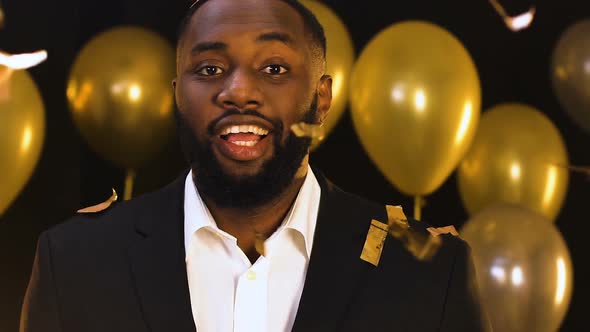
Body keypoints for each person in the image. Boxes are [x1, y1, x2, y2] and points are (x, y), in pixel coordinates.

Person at [20, 0, 490, 331]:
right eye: (209, 69)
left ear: (322, 97)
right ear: (177, 95)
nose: (239, 91)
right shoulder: (75, 263)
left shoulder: (429, 273)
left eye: (274, 69)